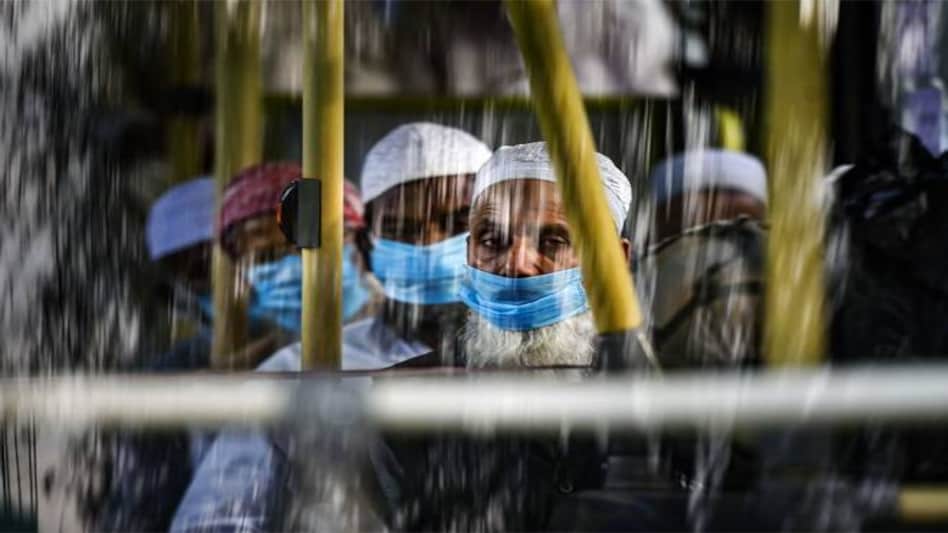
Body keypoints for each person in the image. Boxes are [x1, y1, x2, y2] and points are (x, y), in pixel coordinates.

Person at [169, 122, 492, 532]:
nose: (430, 246)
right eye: (402, 231)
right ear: (366, 247)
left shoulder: (549, 359)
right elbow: (219, 520)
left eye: (458, 223)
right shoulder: (297, 371)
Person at [368, 141, 649, 531]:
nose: (516, 264)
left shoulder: (663, 397)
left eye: (553, 241)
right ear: (469, 252)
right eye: (492, 240)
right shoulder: (406, 399)